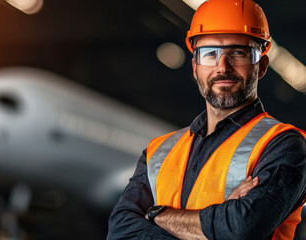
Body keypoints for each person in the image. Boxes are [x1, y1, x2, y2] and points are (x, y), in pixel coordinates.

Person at [107, 0, 306, 239]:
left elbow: (240, 229)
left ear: (261, 65)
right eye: (209, 53)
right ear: (195, 67)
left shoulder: (285, 145)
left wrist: (156, 214)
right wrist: (216, 225)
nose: (223, 66)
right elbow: (120, 230)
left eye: (238, 52)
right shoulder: (158, 152)